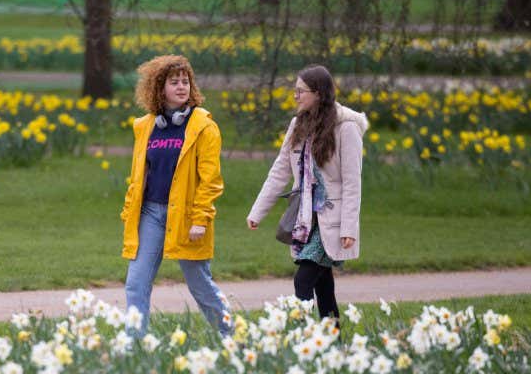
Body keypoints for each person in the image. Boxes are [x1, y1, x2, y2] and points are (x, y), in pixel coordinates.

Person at [246, 65, 367, 320]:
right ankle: (332, 343)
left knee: (303, 280)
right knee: (323, 285)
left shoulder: (347, 127)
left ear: (319, 94)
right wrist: (257, 212)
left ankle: (304, 337)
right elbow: (280, 171)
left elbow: (352, 183)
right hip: (305, 218)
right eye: (295, 91)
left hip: (330, 219)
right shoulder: (297, 125)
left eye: (301, 91)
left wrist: (348, 228)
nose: (296, 97)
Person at [121, 55, 229, 338]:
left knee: (200, 285)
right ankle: (133, 347)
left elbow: (211, 181)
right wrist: (128, 210)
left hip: (186, 216)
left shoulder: (204, 127)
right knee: (136, 283)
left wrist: (200, 219)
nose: (182, 87)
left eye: (186, 81)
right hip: (150, 214)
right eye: (174, 82)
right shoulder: (145, 126)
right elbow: (138, 176)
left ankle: (232, 338)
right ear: (159, 88)